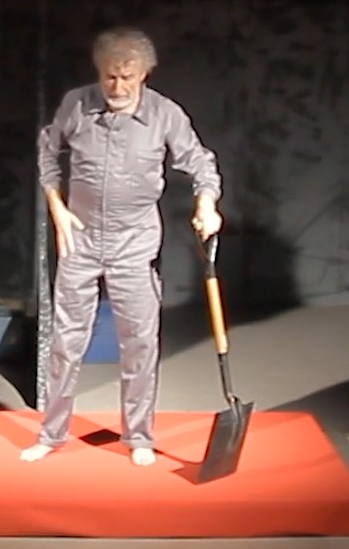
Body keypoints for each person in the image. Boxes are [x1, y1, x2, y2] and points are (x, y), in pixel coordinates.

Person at [20, 27, 223, 466]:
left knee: (139, 343)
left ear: (144, 74)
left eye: (127, 77)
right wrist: (56, 206)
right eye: (109, 76)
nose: (117, 86)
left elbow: (201, 163)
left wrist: (207, 204)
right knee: (65, 343)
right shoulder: (77, 104)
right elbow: (47, 149)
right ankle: (51, 433)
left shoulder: (165, 115)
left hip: (134, 243)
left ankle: (138, 436)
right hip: (80, 239)